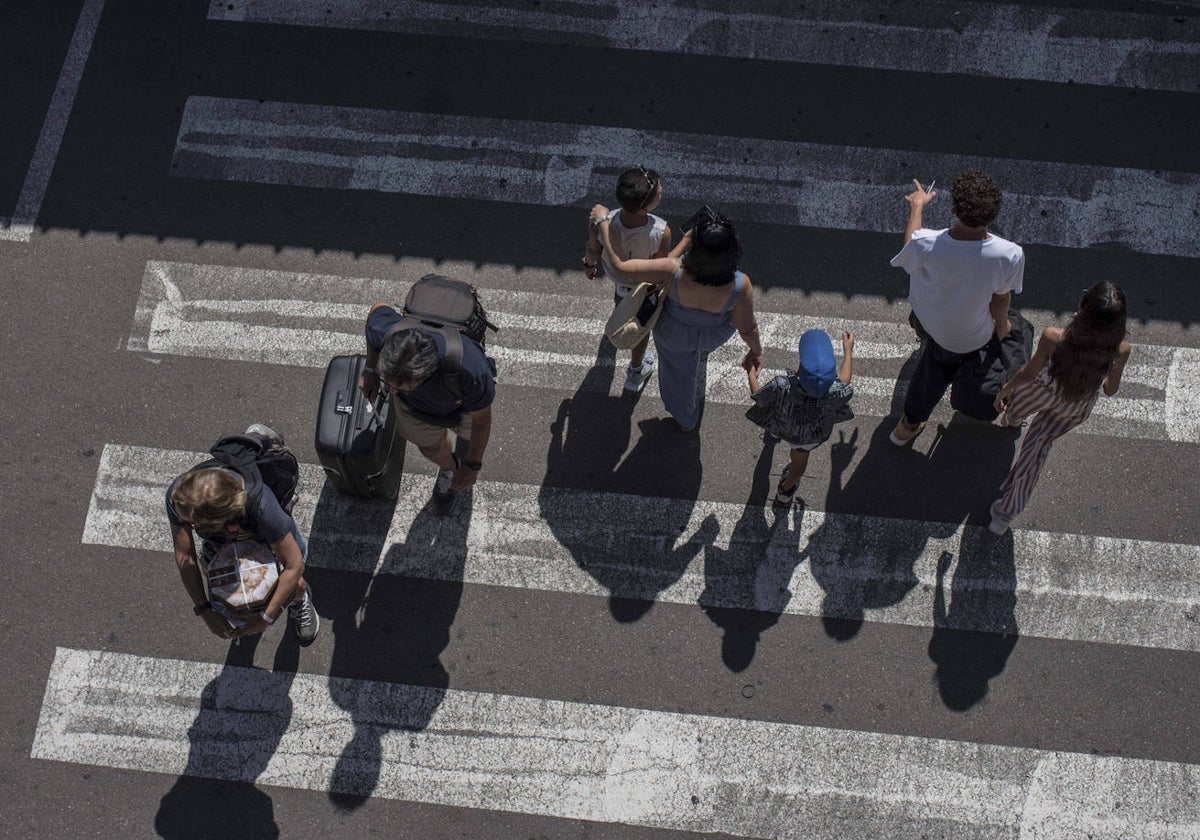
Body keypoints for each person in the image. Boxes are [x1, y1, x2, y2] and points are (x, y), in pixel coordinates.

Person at [591, 206, 762, 431]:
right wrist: (756, 351)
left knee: (677, 375)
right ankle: (700, 352)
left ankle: (686, 418)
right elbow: (747, 328)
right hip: (712, 333)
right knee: (697, 350)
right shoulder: (741, 284)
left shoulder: (672, 269)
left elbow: (621, 265)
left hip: (674, 332)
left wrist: (603, 221)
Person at [889, 169, 1026, 445]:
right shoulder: (1009, 254)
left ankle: (906, 427)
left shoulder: (926, 243)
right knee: (1015, 326)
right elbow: (1001, 301)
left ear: (953, 208)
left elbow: (910, 245)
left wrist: (917, 206)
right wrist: (1003, 329)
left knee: (929, 375)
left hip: (931, 323)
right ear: (994, 214)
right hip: (974, 335)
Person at [988, 282, 1131, 534]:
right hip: (1077, 404)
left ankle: (1011, 420)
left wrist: (1005, 389)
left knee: (1018, 408)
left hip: (1042, 389)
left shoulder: (1055, 337)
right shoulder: (1120, 350)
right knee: (1037, 451)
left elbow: (1028, 373)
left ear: (1083, 311)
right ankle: (1004, 516)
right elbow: (1109, 389)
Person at [167, 424, 319, 642]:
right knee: (233, 587)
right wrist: (205, 610)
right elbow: (185, 557)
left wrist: (265, 618)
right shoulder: (180, 498)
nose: (185, 525)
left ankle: (299, 597)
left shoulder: (262, 507)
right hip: (226, 532)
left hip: (259, 527)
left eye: (194, 526)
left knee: (290, 577)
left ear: (219, 520)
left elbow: (294, 566)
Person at [361, 305, 496, 512]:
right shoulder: (388, 334)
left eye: (402, 387)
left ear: (428, 373)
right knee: (430, 448)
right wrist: (371, 369)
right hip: (414, 408)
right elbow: (376, 309)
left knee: (471, 440)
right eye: (389, 382)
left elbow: (482, 421)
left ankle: (461, 462)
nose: (392, 392)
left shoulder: (470, 370)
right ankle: (449, 468)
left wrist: (472, 466)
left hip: (463, 408)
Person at [582, 165, 673, 393]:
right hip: (642, 288)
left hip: (618, 280)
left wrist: (589, 265)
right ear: (646, 205)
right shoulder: (661, 231)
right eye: (658, 190)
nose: (661, 189)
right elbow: (659, 269)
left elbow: (592, 248)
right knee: (640, 328)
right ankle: (635, 371)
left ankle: (618, 317)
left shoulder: (603, 220)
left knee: (620, 301)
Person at [748, 329, 856, 505]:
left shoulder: (782, 386)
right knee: (798, 463)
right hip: (811, 435)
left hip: (782, 425)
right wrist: (848, 351)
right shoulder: (835, 392)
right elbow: (845, 380)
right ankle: (785, 492)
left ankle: (773, 437)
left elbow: (760, 398)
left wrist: (751, 373)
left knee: (776, 430)